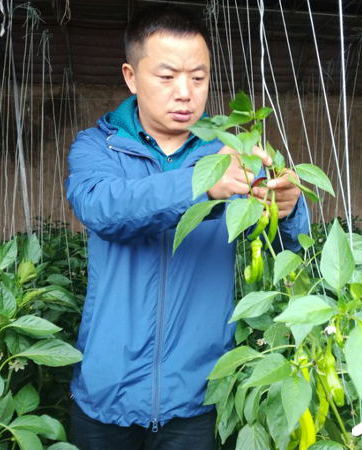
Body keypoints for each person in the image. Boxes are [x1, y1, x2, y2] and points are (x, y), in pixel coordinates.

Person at [64, 5, 310, 450]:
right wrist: (201, 184)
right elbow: (102, 208)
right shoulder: (96, 147)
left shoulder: (235, 153)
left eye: (198, 78)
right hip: (107, 393)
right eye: (167, 76)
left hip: (198, 396)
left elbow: (280, 246)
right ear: (131, 76)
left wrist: (288, 208)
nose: (185, 93)